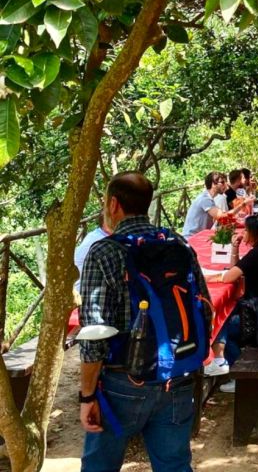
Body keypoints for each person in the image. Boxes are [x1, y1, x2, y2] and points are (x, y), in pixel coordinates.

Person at [79, 172, 212, 471]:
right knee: (175, 465)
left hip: (121, 383)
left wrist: (87, 396)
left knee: (99, 467)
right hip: (177, 376)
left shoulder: (104, 251)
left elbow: (93, 336)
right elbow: (205, 307)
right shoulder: (179, 244)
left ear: (113, 204)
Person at [205, 214, 258, 392]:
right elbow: (236, 270)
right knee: (229, 315)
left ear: (256, 233)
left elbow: (228, 277)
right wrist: (235, 248)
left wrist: (204, 277)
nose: (243, 233)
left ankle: (233, 372)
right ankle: (225, 364)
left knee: (222, 324)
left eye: (246, 230)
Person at [182, 171, 247, 239]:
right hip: (191, 239)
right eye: (222, 182)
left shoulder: (210, 197)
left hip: (200, 237)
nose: (226, 185)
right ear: (213, 184)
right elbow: (222, 217)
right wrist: (243, 204)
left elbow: (221, 219)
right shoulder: (205, 199)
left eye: (225, 182)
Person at [74, 214, 112, 291]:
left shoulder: (95, 234)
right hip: (84, 293)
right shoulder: (102, 241)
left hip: (81, 290)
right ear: (107, 222)